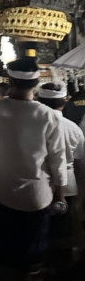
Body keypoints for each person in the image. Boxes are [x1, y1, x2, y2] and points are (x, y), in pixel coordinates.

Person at [0, 56, 67, 281]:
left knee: (0, 242)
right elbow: (58, 160)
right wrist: (60, 195)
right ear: (36, 84)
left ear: (10, 81)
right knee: (29, 249)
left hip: (0, 190)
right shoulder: (48, 116)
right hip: (36, 196)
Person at [37, 82, 85, 265]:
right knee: (63, 229)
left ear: (39, 101)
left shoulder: (32, 126)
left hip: (39, 184)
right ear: (63, 102)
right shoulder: (73, 128)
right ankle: (61, 267)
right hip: (68, 187)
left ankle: (39, 266)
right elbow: (80, 163)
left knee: (40, 228)